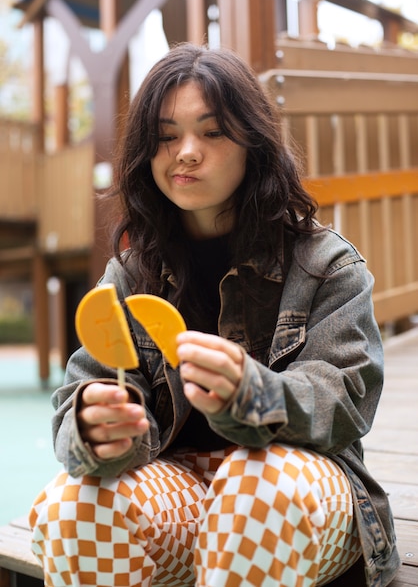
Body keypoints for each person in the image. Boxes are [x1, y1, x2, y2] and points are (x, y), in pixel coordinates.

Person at [30, 42, 399, 587]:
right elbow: (77, 408)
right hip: (184, 495)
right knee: (72, 504)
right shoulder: (130, 277)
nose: (186, 152)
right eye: (165, 136)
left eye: (212, 131)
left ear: (253, 142)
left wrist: (252, 392)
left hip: (294, 495)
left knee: (254, 484)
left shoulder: (326, 265)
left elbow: (343, 400)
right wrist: (95, 429)